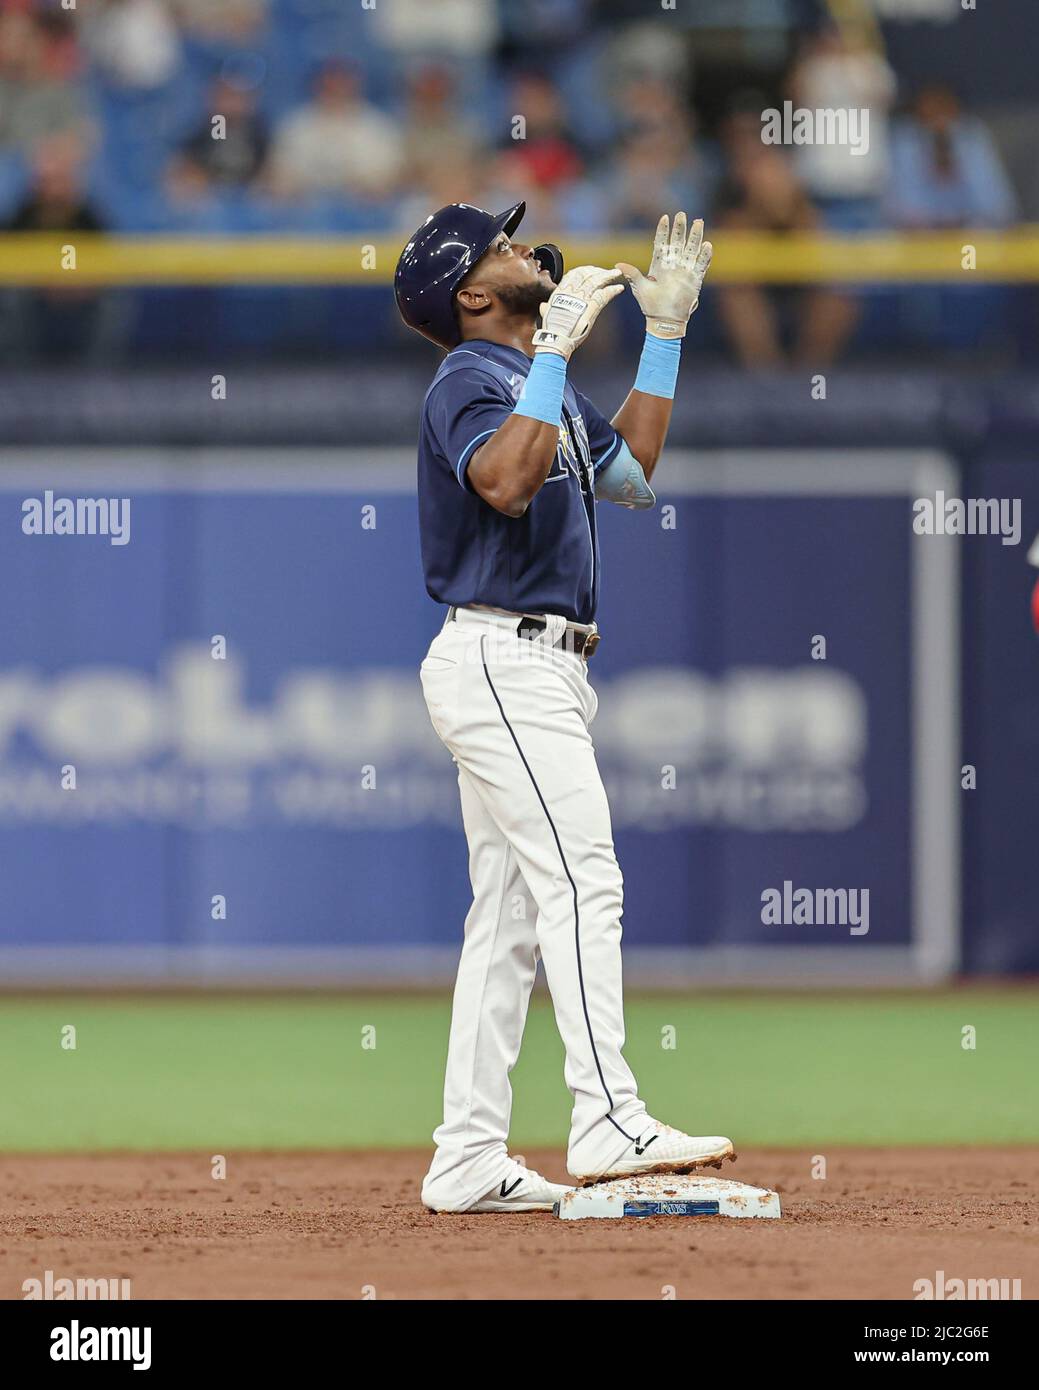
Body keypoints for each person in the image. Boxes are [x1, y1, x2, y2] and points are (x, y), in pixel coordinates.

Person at [394, 200, 733, 1213]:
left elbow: (629, 474)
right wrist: (549, 357)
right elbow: (502, 482)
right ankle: (605, 1114)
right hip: (501, 653)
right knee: (583, 880)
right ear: (471, 293)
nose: (522, 245)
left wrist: (662, 338)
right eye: (496, 245)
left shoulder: (531, 376)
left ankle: (465, 1153)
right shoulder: (468, 377)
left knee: (505, 920)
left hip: (541, 664)